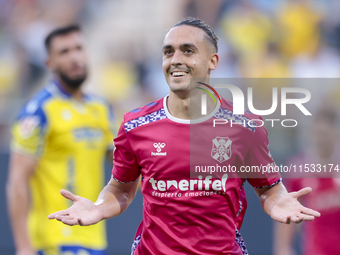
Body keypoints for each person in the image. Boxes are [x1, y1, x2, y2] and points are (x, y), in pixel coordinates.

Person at [48, 18, 320, 255]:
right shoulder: (135, 125)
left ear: (213, 60)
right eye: (168, 52)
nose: (175, 59)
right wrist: (98, 208)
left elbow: (268, 189)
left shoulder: (245, 126)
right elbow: (120, 190)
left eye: (187, 51)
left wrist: (278, 202)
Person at [6, 25, 115, 255]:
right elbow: (17, 181)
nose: (74, 57)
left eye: (78, 48)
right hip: (54, 239)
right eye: (64, 52)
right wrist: (23, 246)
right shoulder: (38, 111)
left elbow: (122, 166)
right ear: (49, 63)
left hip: (93, 236)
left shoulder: (101, 109)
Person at [274, 107, 340, 255]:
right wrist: (283, 248)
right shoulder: (299, 169)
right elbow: (288, 210)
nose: (321, 139)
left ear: (335, 134)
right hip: (316, 250)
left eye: (325, 134)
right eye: (317, 134)